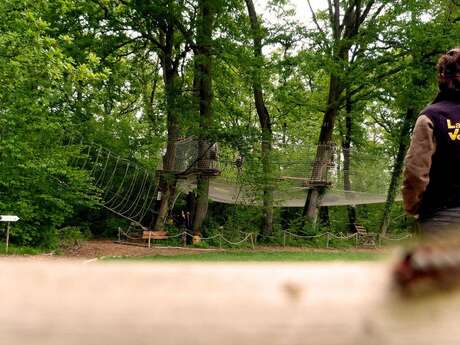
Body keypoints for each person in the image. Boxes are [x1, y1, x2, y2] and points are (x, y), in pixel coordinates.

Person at [402, 47, 460, 234]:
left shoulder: (431, 117)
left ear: (443, 77)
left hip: (442, 219)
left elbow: (415, 171)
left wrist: (413, 206)